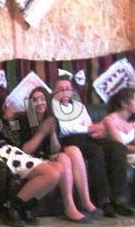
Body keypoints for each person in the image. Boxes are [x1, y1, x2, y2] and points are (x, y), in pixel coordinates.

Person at [0, 84, 87, 226]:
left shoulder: (7, 116)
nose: (7, 103)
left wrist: (10, 119)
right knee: (52, 173)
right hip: (2, 153)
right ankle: (11, 207)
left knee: (59, 169)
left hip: (14, 152)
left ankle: (23, 206)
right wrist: (8, 119)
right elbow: (10, 142)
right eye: (4, 99)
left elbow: (16, 142)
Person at [51, 76, 135, 218]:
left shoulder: (79, 107)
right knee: (95, 151)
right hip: (68, 139)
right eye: (60, 89)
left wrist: (96, 132)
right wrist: (88, 129)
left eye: (67, 89)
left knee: (117, 147)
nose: (64, 92)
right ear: (53, 91)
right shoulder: (52, 107)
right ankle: (103, 201)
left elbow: (90, 125)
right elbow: (65, 129)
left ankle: (120, 199)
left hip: (87, 137)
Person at [20, 87, 98, 216]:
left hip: (48, 156)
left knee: (70, 153)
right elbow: (24, 151)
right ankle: (69, 207)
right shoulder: (25, 120)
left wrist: (52, 133)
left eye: (42, 99)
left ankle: (85, 201)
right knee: (64, 158)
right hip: (32, 157)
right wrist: (42, 132)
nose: (39, 103)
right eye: (35, 100)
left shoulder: (52, 118)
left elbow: (54, 149)